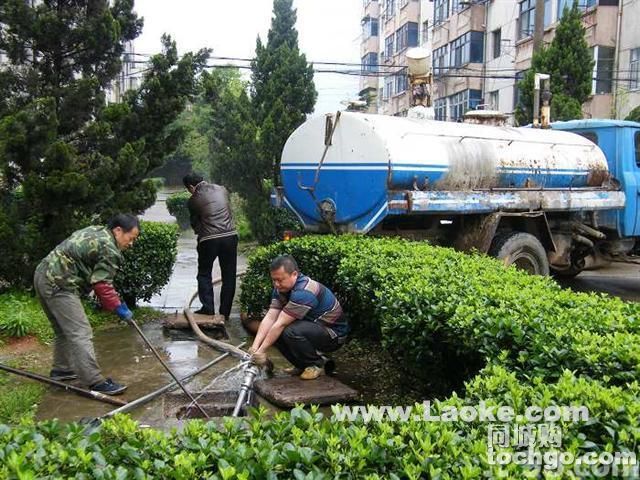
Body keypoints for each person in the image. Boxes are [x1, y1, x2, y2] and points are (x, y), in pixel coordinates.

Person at [33, 214, 140, 395]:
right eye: (131, 238)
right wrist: (119, 308)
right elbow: (102, 285)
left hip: (43, 275)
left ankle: (62, 370)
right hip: (60, 283)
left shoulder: (97, 231)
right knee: (81, 332)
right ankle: (95, 381)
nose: (131, 244)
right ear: (118, 230)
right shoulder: (110, 248)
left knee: (63, 330)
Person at [249, 255, 349, 380]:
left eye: (280, 280)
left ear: (294, 274)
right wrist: (255, 347)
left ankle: (317, 364)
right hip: (312, 327)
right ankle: (302, 365)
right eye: (274, 280)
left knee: (289, 331)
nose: (276, 284)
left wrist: (262, 350)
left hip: (333, 334)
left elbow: (280, 323)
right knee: (278, 333)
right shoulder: (280, 289)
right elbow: (270, 317)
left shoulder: (303, 293)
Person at [183, 173, 238, 322]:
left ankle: (208, 309)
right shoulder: (222, 189)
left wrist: (201, 234)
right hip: (230, 236)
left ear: (191, 187)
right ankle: (224, 313)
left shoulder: (193, 200)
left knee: (204, 273)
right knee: (229, 275)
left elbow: (196, 224)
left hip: (209, 239)